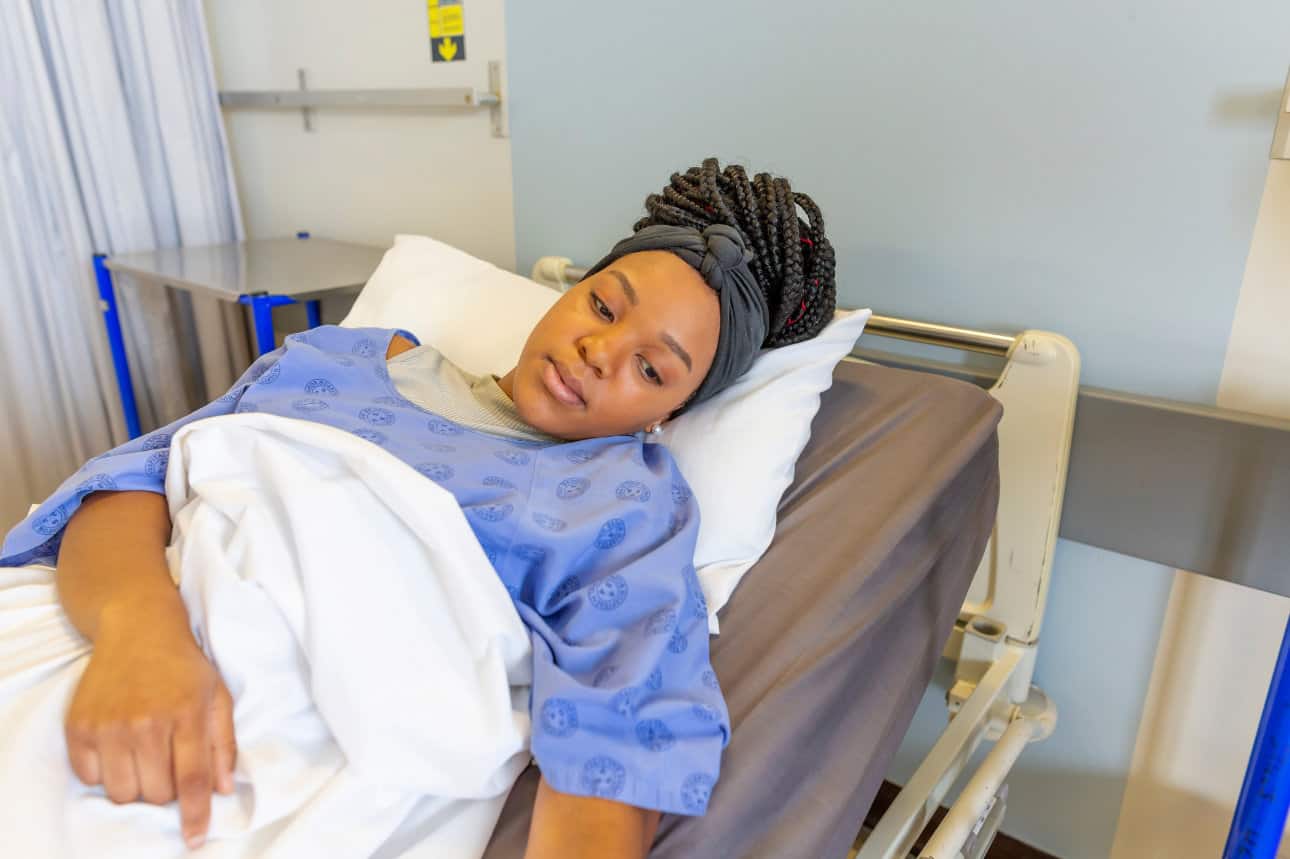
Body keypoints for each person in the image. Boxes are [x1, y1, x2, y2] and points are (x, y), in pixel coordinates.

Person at [0, 158, 837, 858]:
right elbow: (133, 480)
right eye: (604, 305)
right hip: (124, 629)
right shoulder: (338, 358)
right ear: (572, 289)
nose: (600, 351)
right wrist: (140, 637)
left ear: (672, 415)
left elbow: (622, 722)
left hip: (284, 730)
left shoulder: (627, 503)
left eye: (652, 370)